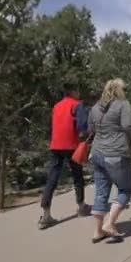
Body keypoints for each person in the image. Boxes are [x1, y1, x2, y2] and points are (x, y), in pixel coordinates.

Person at [88, 78, 131, 244]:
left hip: (96, 153)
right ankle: (109, 224)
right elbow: (127, 126)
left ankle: (97, 232)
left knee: (101, 192)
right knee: (126, 188)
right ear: (120, 90)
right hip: (116, 153)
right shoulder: (123, 105)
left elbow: (91, 129)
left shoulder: (95, 107)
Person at [39, 83, 92, 230]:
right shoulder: (77, 105)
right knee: (77, 176)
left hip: (56, 145)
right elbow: (82, 127)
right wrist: (88, 135)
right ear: (73, 92)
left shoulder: (56, 106)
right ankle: (81, 207)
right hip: (72, 145)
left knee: (52, 178)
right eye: (78, 90)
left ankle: (46, 214)